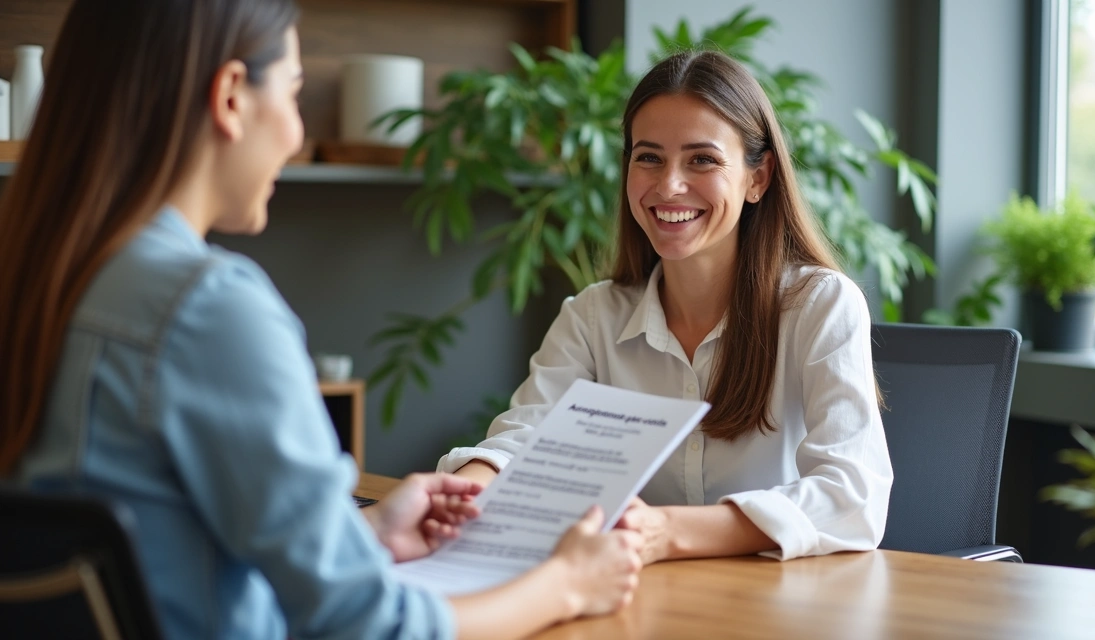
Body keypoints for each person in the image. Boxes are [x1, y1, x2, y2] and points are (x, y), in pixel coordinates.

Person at [0, 1, 641, 638]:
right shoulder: (206, 310)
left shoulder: (38, 280)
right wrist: (567, 584)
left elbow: (156, 548)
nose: (296, 135)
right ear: (229, 97)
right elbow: (369, 627)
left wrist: (360, 534)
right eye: (293, 93)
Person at [438, 50, 894, 564]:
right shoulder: (593, 316)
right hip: (637, 598)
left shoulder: (820, 305)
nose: (668, 185)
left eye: (702, 159)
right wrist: (462, 495)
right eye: (648, 157)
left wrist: (669, 531)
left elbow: (853, 496)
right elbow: (523, 440)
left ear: (758, 178)